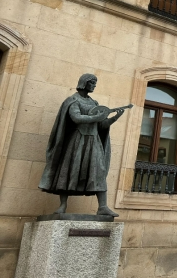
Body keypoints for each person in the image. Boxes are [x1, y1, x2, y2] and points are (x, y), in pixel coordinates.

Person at [39, 74, 128, 217]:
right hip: (77, 141)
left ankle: (102, 207)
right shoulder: (73, 100)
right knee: (69, 170)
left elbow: (101, 125)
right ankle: (62, 205)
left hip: (94, 142)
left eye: (95, 83)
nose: (94, 85)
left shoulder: (94, 103)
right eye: (92, 82)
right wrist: (96, 117)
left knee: (99, 171)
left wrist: (115, 118)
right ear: (84, 83)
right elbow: (76, 118)